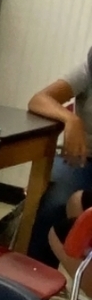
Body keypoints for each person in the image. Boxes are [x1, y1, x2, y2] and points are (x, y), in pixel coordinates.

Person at [27, 48, 92, 266]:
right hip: (84, 160)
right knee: (52, 202)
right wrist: (71, 120)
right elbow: (39, 99)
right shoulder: (88, 68)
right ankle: (34, 283)